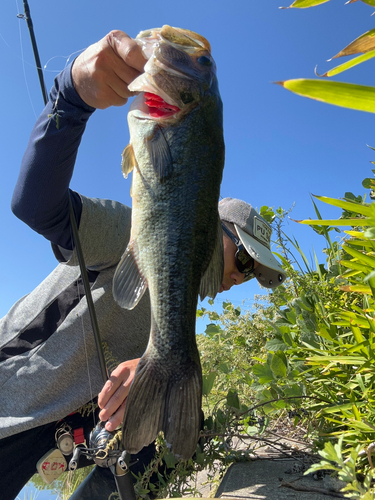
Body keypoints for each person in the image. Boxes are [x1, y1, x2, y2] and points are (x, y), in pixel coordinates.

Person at [0, 30, 286, 500]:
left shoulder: (182, 299)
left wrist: (141, 373)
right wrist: (70, 97)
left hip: (60, 430)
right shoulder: (129, 229)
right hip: (13, 400)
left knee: (170, 438)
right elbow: (36, 204)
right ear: (217, 231)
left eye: (254, 274)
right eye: (246, 261)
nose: (242, 279)